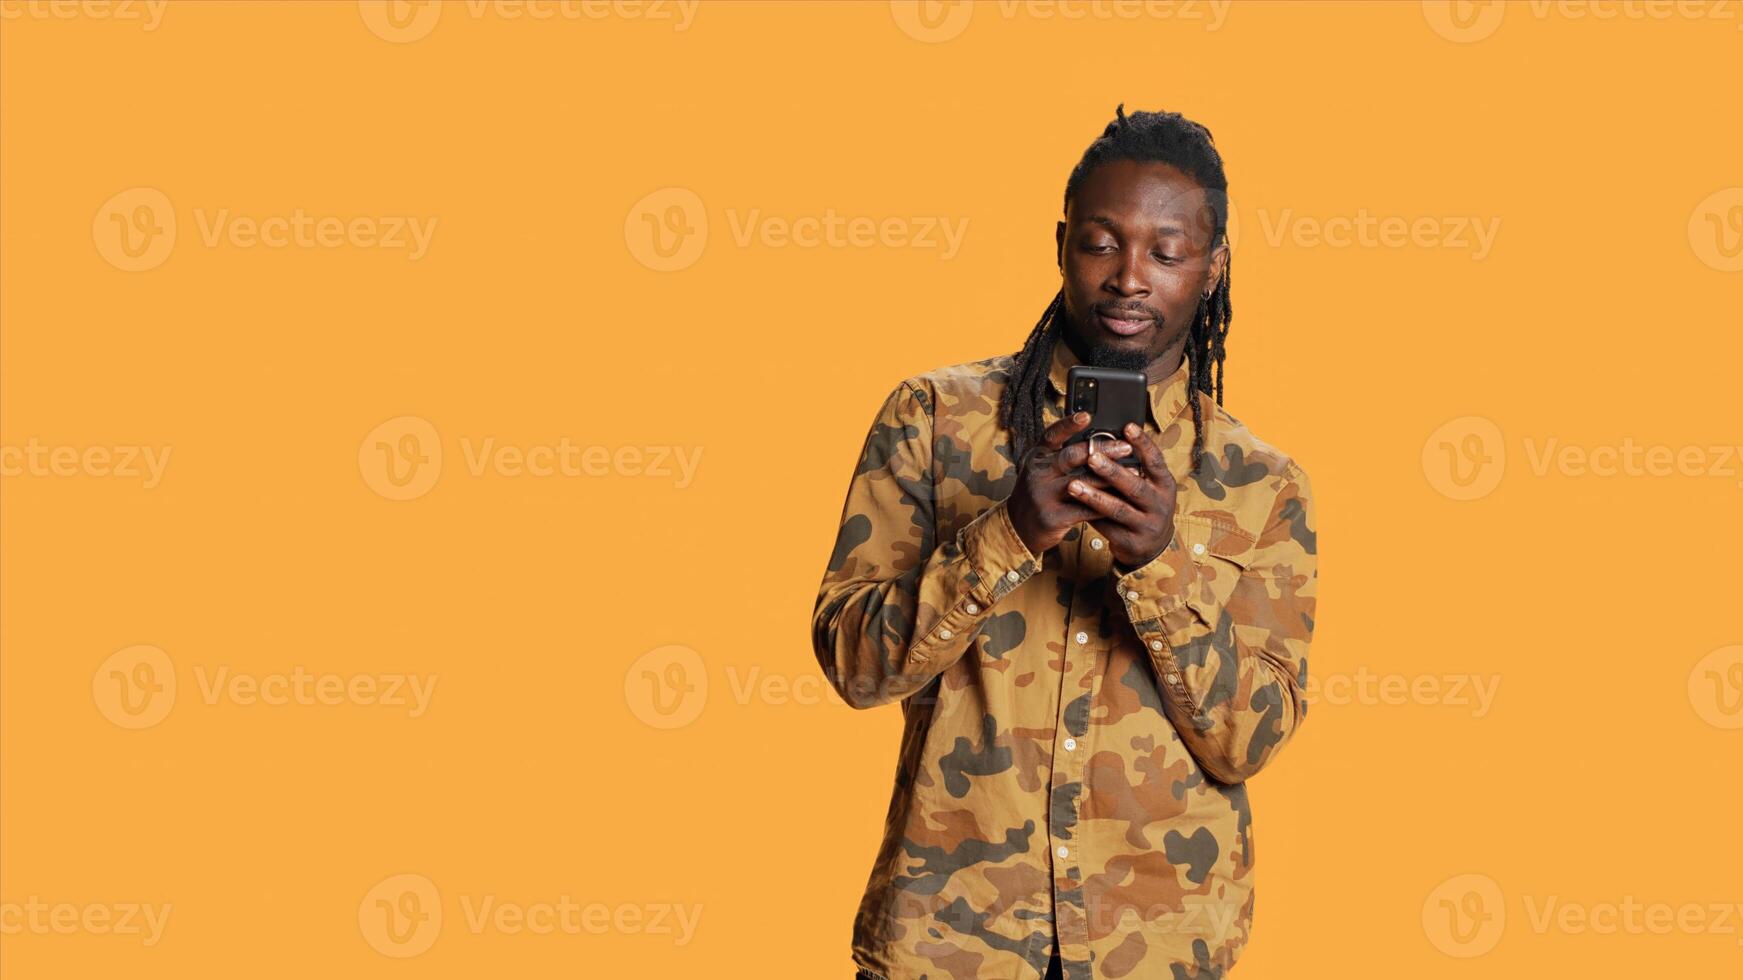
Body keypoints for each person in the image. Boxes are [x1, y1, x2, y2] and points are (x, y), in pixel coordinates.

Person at [814, 106, 1318, 979]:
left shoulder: (1261, 482)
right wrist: (1008, 532)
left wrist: (1159, 563)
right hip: (950, 941)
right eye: (1101, 243)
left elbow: (1251, 740)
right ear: (1059, 244)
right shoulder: (933, 420)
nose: (1129, 278)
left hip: (1160, 947)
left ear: (1212, 267)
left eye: (1166, 252)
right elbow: (855, 666)